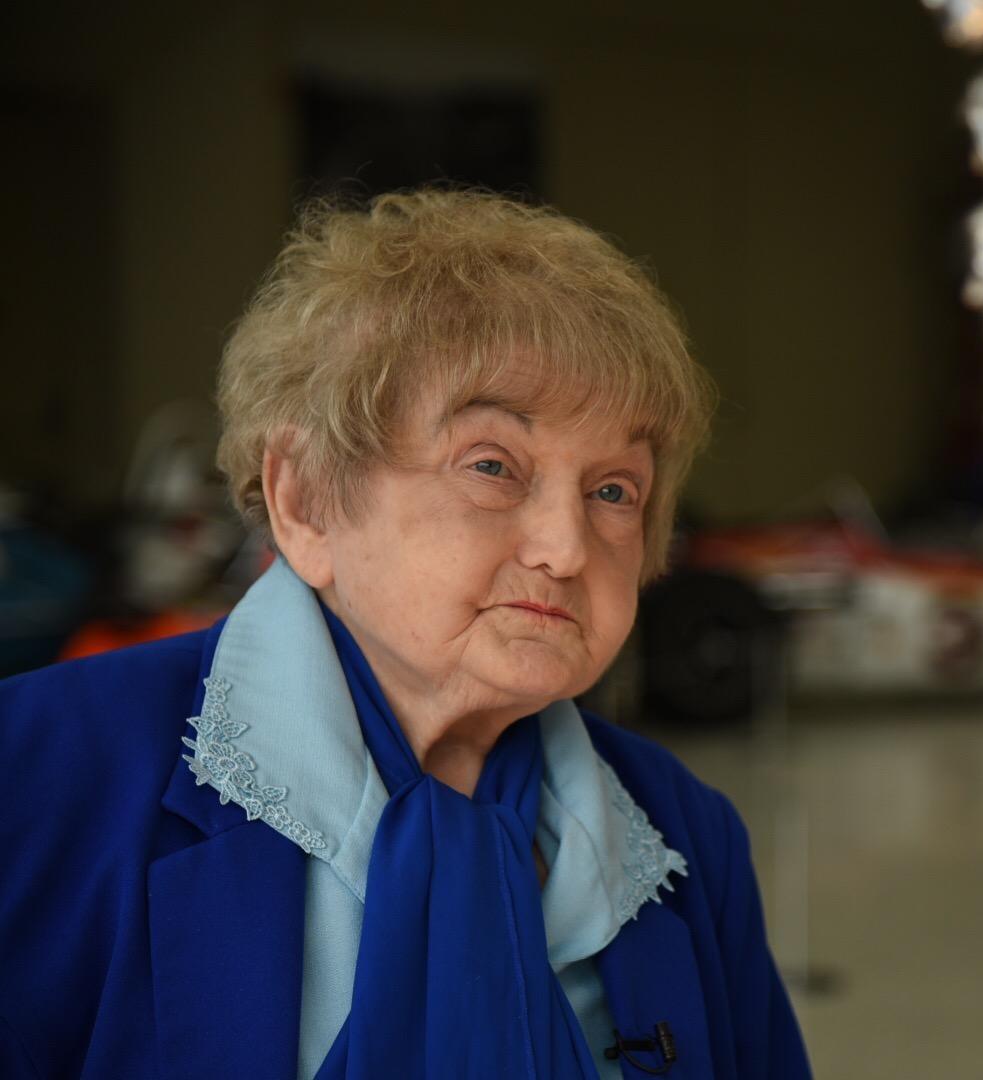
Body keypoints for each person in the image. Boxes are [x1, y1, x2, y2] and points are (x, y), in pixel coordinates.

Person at [0, 189, 812, 1080]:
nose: (567, 547)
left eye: (614, 489)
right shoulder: (38, 774)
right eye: (492, 466)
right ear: (305, 500)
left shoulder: (688, 837)